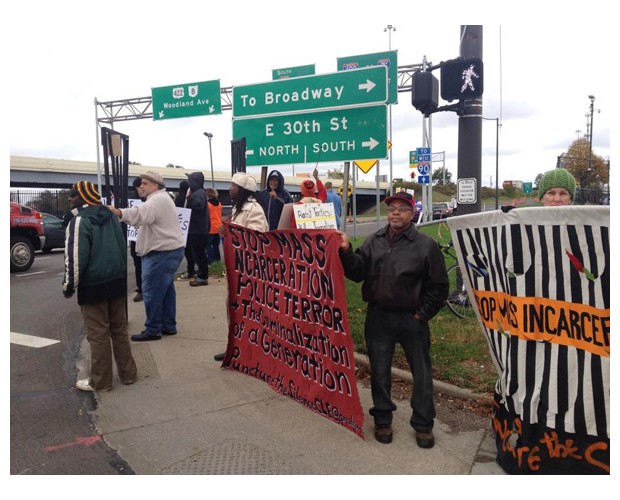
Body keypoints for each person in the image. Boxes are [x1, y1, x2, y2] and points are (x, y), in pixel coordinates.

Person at [337, 191, 448, 448]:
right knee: (379, 371)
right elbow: (357, 272)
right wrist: (345, 251)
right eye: (391, 209)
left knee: (421, 373)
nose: (395, 212)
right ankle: (383, 419)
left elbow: (439, 286)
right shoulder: (373, 241)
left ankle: (423, 424)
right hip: (378, 317)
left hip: (412, 320)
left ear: (412, 213)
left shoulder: (425, 245)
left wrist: (422, 314)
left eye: (401, 208)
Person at [63, 181, 137, 392]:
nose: (70, 198)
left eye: (74, 194)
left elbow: (76, 258)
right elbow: (121, 247)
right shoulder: (110, 216)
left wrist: (69, 286)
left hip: (93, 285)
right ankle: (128, 374)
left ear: (84, 197)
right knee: (119, 330)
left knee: (98, 334)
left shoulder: (79, 221)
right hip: (116, 281)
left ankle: (101, 381)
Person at [107, 171, 185, 342]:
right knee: (165, 291)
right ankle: (167, 325)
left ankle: (153, 329)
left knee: (151, 292)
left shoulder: (156, 200)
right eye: (141, 183)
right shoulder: (162, 199)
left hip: (161, 252)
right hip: (169, 250)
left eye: (145, 183)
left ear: (156, 185)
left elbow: (139, 215)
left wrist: (118, 212)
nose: (141, 186)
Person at [213, 172, 268, 361]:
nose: (230, 189)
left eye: (233, 186)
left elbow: (257, 238)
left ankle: (249, 349)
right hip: (236, 268)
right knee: (234, 308)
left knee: (247, 310)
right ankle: (236, 345)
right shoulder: (238, 209)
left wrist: (232, 230)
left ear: (243, 189)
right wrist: (225, 230)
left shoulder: (254, 209)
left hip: (248, 271)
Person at [184, 172, 210, 287]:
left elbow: (198, 205)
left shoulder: (198, 193)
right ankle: (201, 274)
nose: (189, 182)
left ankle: (203, 277)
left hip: (198, 230)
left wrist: (190, 199)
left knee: (199, 254)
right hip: (197, 229)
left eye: (190, 180)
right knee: (197, 253)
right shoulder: (199, 192)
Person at [128, 177, 144, 302]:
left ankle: (143, 289)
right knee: (139, 264)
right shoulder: (132, 200)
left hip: (145, 238)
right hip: (136, 238)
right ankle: (141, 289)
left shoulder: (150, 198)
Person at [175, 180, 195, 280]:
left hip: (182, 227)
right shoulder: (189, 198)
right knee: (191, 250)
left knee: (185, 251)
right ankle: (192, 269)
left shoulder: (179, 198)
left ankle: (190, 270)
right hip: (190, 226)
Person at [205, 187, 222, 264]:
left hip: (210, 227)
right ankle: (217, 260)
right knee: (216, 245)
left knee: (208, 245)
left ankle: (210, 261)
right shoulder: (219, 204)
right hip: (218, 227)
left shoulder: (207, 204)